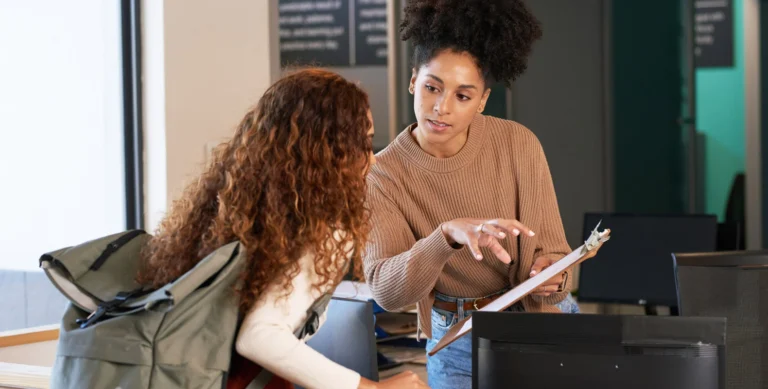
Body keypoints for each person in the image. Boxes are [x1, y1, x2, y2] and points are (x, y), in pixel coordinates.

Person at [138, 69, 429, 389]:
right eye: (361, 144)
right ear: (326, 153)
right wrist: (370, 388)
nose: (371, 160)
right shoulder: (321, 231)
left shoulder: (238, 211)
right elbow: (259, 338)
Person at [363, 1, 575, 387]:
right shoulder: (382, 175)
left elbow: (557, 255)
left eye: (462, 96)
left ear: (482, 101)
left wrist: (553, 275)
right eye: (432, 87)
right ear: (413, 81)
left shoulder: (518, 144)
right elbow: (386, 291)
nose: (441, 108)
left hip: (539, 322)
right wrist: (445, 236)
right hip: (456, 336)